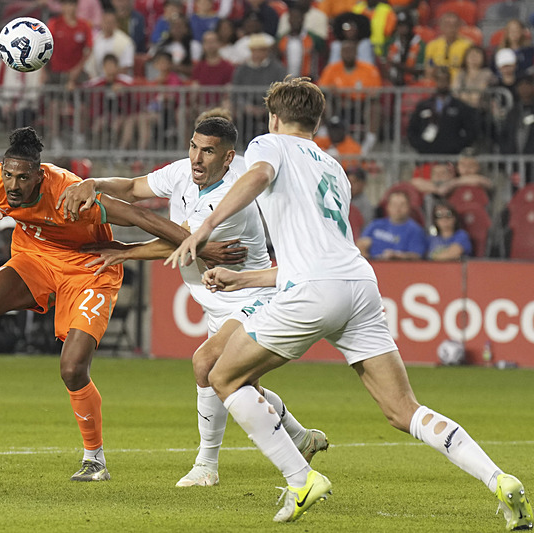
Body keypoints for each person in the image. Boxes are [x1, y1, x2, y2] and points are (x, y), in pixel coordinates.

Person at [165, 77, 532, 529]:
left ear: (274, 117)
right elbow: (322, 255)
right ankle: (499, 479)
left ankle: (300, 478)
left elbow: (257, 177)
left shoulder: (268, 144)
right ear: (315, 121)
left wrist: (202, 230)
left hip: (314, 290)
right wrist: (244, 277)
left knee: (222, 373)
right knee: (404, 410)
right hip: (358, 284)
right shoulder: (334, 168)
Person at [0, 126, 243, 482]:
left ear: (39, 175)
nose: (13, 186)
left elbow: (143, 218)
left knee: (72, 368)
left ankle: (95, 459)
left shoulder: (71, 197)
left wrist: (197, 244)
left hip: (88, 269)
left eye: (23, 178)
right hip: (36, 259)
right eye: (9, 176)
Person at [57, 116, 329, 487]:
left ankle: (207, 466)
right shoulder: (184, 171)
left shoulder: (232, 198)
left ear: (229, 157)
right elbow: (135, 187)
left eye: (209, 151)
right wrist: (94, 182)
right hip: (216, 300)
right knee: (243, 385)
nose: (197, 158)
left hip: (252, 295)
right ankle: (301, 438)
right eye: (194, 147)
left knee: (205, 364)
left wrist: (125, 252)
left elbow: (181, 242)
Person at [406, 65, 478, 155]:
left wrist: (456, 146)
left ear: (449, 81)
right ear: (435, 81)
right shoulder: (423, 106)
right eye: (439, 79)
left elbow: (470, 131)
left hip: (451, 156)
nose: (442, 83)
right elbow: (412, 129)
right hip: (426, 155)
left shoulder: (460, 107)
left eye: (445, 80)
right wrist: (421, 145)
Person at [356, 189, 427, 260]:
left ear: (409, 207)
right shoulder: (375, 225)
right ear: (388, 207)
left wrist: (397, 256)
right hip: (372, 264)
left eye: (402, 205)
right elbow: (360, 245)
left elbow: (417, 256)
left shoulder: (415, 230)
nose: (398, 208)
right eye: (394, 204)